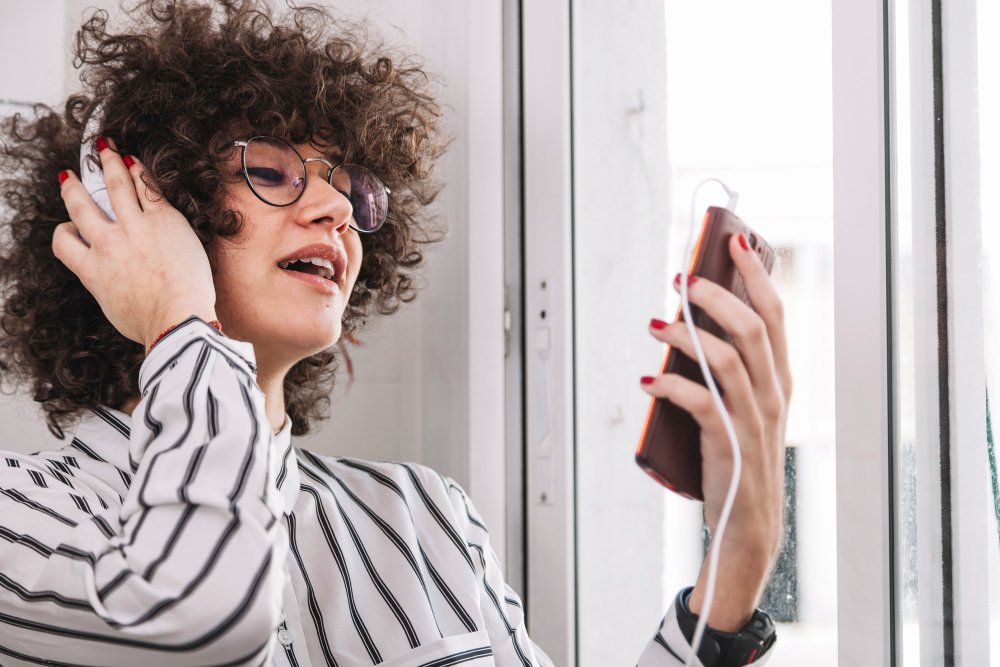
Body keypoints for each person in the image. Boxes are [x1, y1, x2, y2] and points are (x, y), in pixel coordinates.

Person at [0, 1, 791, 665]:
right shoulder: (20, 513)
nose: (338, 210)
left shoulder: (427, 515)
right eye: (273, 171)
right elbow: (205, 614)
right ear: (139, 209)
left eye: (352, 187)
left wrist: (730, 577)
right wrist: (178, 316)